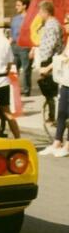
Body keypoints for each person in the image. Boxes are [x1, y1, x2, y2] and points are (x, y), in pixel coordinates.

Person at [39, 14, 69, 157]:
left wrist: (49, 67)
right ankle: (57, 142)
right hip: (66, 80)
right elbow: (63, 56)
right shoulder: (68, 39)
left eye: (67, 22)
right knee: (62, 112)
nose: (65, 25)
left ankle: (68, 145)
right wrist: (49, 67)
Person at [37, 0, 64, 123]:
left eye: (40, 12)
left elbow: (50, 44)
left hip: (49, 60)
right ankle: (52, 114)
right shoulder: (49, 24)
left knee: (50, 89)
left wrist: (44, 61)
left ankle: (55, 115)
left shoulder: (52, 25)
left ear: (46, 12)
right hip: (49, 59)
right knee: (48, 89)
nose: (39, 14)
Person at [10, 0, 32, 96]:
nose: (16, 7)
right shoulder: (14, 19)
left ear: (25, 6)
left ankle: (26, 90)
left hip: (25, 47)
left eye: (18, 5)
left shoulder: (30, 19)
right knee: (13, 69)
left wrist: (33, 49)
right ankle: (14, 89)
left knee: (26, 69)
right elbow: (12, 33)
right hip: (14, 46)